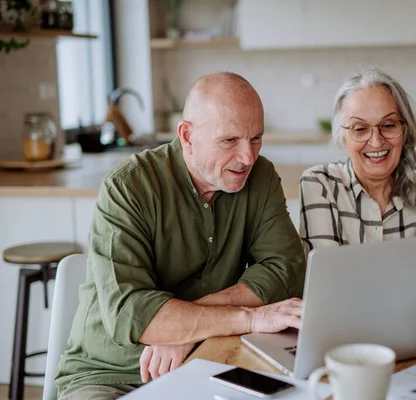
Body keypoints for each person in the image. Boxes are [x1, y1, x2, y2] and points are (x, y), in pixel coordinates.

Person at [55, 72, 306, 400]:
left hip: (213, 358)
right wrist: (250, 317)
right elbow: (131, 313)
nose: (247, 157)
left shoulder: (261, 178)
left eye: (256, 138)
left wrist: (185, 327)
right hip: (110, 374)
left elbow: (285, 268)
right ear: (188, 136)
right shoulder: (128, 187)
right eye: (229, 140)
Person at [299, 68, 416, 310]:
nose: (377, 141)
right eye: (360, 129)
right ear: (342, 137)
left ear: (405, 130)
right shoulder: (320, 185)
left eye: (388, 125)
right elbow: (327, 286)